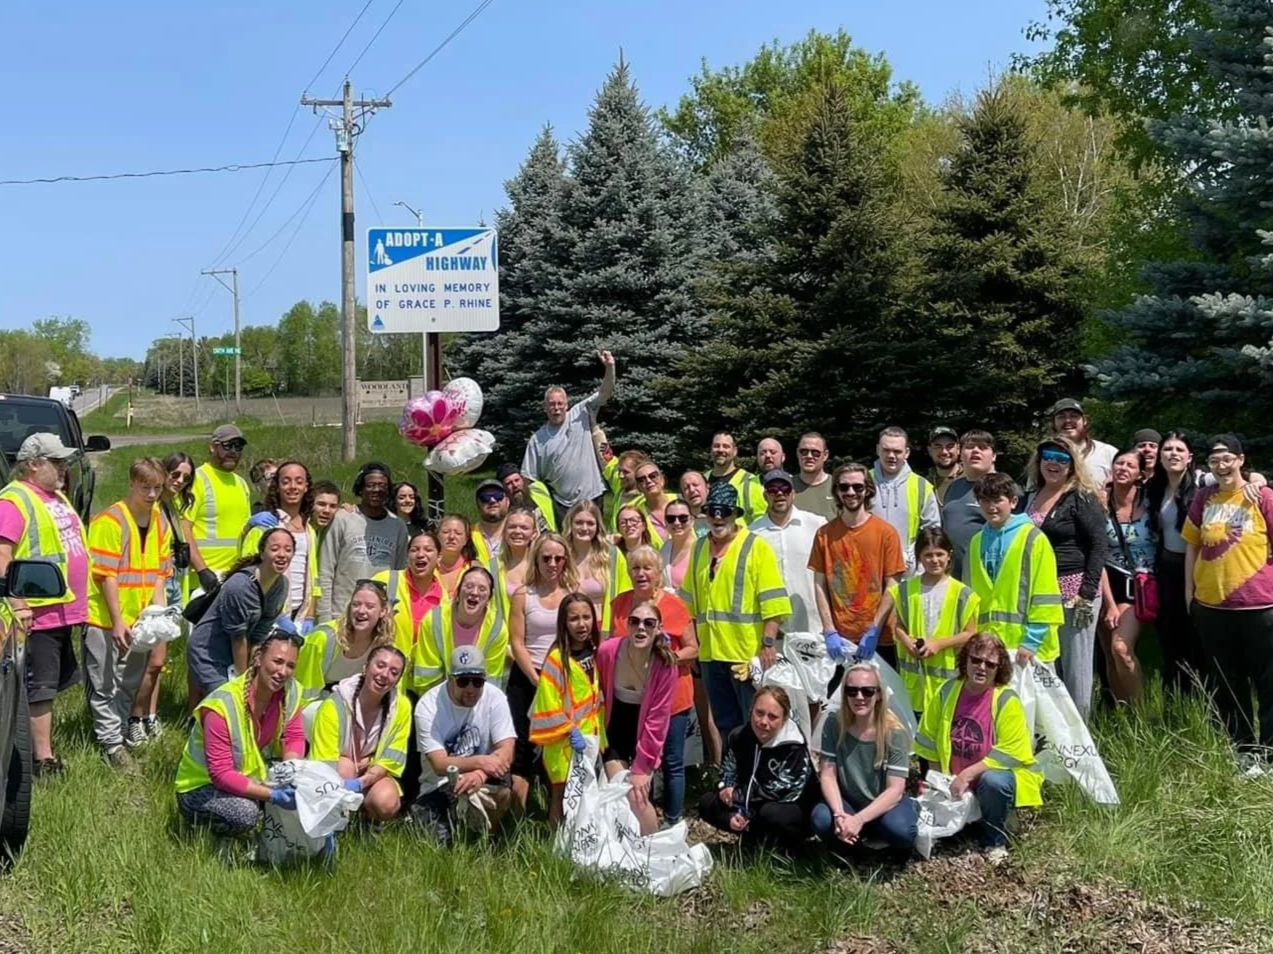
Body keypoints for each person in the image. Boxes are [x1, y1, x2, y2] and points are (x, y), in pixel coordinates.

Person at [0, 433, 90, 776]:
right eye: (57, 462)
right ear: (33, 464)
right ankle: (42, 761)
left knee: (48, 685)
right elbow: (2, 556)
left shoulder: (55, 497)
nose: (64, 468)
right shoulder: (14, 501)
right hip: (36, 615)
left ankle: (35, 752)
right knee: (39, 690)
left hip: (60, 610)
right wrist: (18, 605)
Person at [1183, 434, 1273, 765]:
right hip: (1212, 606)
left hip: (1260, 605)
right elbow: (1192, 545)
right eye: (1214, 461)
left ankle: (1270, 752)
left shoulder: (1261, 495)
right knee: (1227, 681)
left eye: (1227, 459)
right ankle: (1244, 750)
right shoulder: (1203, 498)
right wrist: (1189, 595)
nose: (1221, 466)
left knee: (1268, 681)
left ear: (1240, 460)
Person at [914, 633, 1041, 862]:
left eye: (990, 664)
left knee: (995, 782)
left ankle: (994, 839)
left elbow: (1012, 751)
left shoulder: (1006, 699)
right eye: (976, 660)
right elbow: (928, 740)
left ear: (999, 669)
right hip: (954, 783)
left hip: (987, 780)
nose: (982, 668)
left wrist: (967, 774)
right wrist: (938, 780)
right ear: (966, 660)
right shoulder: (947, 691)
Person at [680, 483, 791, 740]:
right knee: (725, 724)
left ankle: (755, 777)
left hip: (746, 654)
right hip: (710, 654)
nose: (718, 517)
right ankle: (732, 776)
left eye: (725, 511)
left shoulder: (756, 546)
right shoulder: (698, 548)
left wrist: (767, 644)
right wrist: (692, 646)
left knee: (754, 722)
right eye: (713, 511)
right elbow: (688, 604)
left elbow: (774, 601)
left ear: (735, 514)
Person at [174, 627, 306, 842]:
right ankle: (213, 842)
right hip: (200, 786)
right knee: (245, 813)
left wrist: (292, 771)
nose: (283, 672)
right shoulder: (221, 705)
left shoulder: (291, 691)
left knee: (306, 784)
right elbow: (221, 774)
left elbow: (294, 736)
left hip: (248, 773)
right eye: (277, 661)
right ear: (258, 658)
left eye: (290, 666)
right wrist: (272, 795)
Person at [83, 457, 173, 766]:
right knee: (105, 681)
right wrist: (118, 621)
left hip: (141, 620)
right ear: (132, 483)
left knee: (130, 681)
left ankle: (119, 733)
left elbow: (162, 570)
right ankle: (110, 745)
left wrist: (158, 615)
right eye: (145, 487)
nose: (151, 495)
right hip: (106, 619)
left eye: (157, 488)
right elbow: (106, 575)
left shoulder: (160, 520)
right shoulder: (111, 521)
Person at [610, 546, 700, 823]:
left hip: (672, 698)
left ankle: (673, 820)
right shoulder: (620, 604)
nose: (641, 574)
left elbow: (693, 649)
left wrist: (666, 660)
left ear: (658, 572)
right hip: (632, 699)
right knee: (636, 759)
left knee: (672, 762)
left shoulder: (674, 606)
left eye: (647, 568)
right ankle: (636, 816)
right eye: (635, 568)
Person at [1023, 436, 1109, 717]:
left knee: (1076, 669)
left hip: (1074, 593)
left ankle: (1080, 736)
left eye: (1062, 459)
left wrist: (1086, 594)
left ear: (1072, 465)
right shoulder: (1030, 496)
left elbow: (1099, 545)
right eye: (1048, 456)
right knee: (1047, 663)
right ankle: (1053, 733)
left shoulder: (1081, 497)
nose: (1053, 463)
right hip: (1039, 593)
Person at [411, 645, 517, 846]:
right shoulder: (428, 707)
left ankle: (489, 842)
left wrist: (480, 773)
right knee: (440, 846)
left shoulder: (495, 697)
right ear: (450, 679)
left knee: (504, 783)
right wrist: (480, 761)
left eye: (477, 681)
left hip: (482, 779)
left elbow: (507, 750)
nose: (470, 688)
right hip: (440, 785)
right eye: (463, 681)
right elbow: (439, 764)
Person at [811, 664, 917, 857]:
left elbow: (895, 789)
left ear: (878, 695)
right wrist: (838, 814)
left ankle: (871, 835)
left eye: (867, 691)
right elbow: (827, 775)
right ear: (844, 695)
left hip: (884, 802)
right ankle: (852, 842)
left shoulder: (895, 732)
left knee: (901, 831)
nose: (859, 697)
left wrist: (859, 819)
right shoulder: (833, 723)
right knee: (821, 819)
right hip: (847, 801)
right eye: (852, 691)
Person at [872, 527, 978, 716]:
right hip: (914, 685)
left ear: (949, 556)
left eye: (940, 554)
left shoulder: (962, 594)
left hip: (948, 683)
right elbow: (899, 625)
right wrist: (907, 641)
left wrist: (938, 644)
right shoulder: (906, 590)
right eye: (928, 555)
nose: (934, 560)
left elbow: (970, 633)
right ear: (919, 558)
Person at [809, 463, 906, 669]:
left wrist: (874, 629)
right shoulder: (824, 535)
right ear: (836, 491)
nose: (850, 492)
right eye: (844, 487)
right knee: (838, 700)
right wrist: (828, 629)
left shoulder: (886, 533)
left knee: (880, 699)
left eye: (857, 487)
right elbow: (819, 584)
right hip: (840, 639)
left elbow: (893, 584)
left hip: (881, 639)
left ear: (867, 490)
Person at [507, 534, 578, 809]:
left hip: (563, 678)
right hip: (528, 677)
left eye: (558, 558)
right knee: (522, 746)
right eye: (546, 558)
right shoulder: (524, 594)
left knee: (559, 745)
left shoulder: (571, 592)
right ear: (536, 559)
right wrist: (537, 679)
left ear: (566, 561)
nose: (552, 563)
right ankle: (515, 816)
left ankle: (557, 812)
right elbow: (516, 641)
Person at [965, 473, 1064, 669]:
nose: (990, 506)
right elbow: (970, 596)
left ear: (1013, 501)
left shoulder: (1033, 538)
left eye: (997, 500)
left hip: (1028, 647)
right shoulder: (976, 541)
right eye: (984, 501)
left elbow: (1046, 595)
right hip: (988, 646)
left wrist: (1032, 640)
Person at [186, 527, 295, 703]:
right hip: (209, 651)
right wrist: (242, 680)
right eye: (275, 549)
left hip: (238, 650)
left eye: (288, 550)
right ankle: (193, 724)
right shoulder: (240, 586)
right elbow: (238, 638)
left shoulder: (281, 586)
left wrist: (254, 672)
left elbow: (259, 634)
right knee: (227, 704)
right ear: (262, 553)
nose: (282, 554)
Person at [598, 599, 679, 834]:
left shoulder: (665, 665)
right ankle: (618, 846)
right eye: (634, 622)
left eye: (648, 623)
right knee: (621, 790)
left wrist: (642, 768)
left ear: (658, 628)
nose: (641, 628)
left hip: (646, 735)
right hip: (615, 732)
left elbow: (658, 719)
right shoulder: (608, 651)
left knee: (640, 795)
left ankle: (651, 851)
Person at [697, 687, 816, 845]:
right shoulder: (738, 736)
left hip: (790, 808)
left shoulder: (794, 747)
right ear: (750, 710)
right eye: (759, 713)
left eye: (773, 717)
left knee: (771, 813)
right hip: (749, 803)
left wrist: (739, 798)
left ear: (785, 719)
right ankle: (749, 833)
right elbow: (728, 772)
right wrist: (732, 804)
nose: (764, 722)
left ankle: (784, 847)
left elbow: (783, 791)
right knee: (707, 802)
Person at [311, 645, 410, 822]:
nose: (385, 674)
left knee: (387, 802)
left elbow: (391, 759)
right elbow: (324, 762)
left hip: (372, 770)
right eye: (380, 665)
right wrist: (351, 770)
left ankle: (367, 823)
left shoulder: (402, 707)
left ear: (397, 680)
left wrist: (362, 781)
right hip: (338, 770)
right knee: (346, 768)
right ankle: (335, 823)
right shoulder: (333, 705)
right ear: (365, 667)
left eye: (394, 672)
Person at [529, 593, 604, 826]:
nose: (581, 624)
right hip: (563, 742)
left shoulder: (596, 653)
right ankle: (556, 851)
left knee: (586, 797)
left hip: (591, 738)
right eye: (574, 619)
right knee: (561, 795)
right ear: (563, 622)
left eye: (586, 617)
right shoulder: (556, 660)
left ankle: (581, 845)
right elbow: (547, 705)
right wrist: (569, 730)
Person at [522, 350, 617, 524]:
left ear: (567, 405)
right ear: (545, 407)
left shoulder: (580, 413)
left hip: (593, 496)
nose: (556, 408)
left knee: (595, 545)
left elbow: (605, 392)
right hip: (562, 505)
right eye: (551, 404)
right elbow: (529, 479)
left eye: (560, 404)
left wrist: (610, 367)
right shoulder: (537, 439)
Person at [138, 451, 194, 742]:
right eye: (175, 475)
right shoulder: (153, 507)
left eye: (186, 477)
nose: (180, 482)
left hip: (172, 586)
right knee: (152, 660)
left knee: (159, 661)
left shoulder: (172, 507)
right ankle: (136, 716)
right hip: (154, 586)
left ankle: (150, 714)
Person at [1143, 432, 1204, 691]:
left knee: (1198, 631)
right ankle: (1177, 690)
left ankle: (1205, 690)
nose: (1173, 454)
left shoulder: (1202, 483)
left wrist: (1256, 479)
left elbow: (1243, 478)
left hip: (1199, 568)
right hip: (1166, 568)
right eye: (1168, 449)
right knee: (1171, 631)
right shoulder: (1154, 489)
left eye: (1180, 449)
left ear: (1190, 456)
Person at [316, 461, 408, 621]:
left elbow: (400, 574)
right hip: (342, 615)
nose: (377, 490)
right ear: (360, 488)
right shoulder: (342, 519)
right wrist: (324, 617)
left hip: (380, 618)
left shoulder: (398, 526)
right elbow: (326, 570)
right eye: (371, 485)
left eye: (382, 486)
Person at [1100, 447, 1156, 702]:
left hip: (1141, 586)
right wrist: (1109, 603)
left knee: (1121, 648)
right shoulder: (1100, 503)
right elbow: (1096, 553)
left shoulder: (1151, 501)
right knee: (1110, 655)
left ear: (1140, 474)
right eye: (1118, 463)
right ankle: (1122, 714)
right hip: (1107, 584)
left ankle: (1142, 714)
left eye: (1130, 466)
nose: (1122, 468)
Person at [240, 461, 318, 630]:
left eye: (299, 481)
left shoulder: (309, 530)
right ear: (277, 487)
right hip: (268, 618)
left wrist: (310, 615)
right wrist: (278, 615)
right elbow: (248, 575)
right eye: (286, 481)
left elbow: (314, 576)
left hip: (300, 615)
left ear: (306, 486)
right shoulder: (265, 527)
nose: (293, 487)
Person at [295, 579, 395, 707]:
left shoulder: (383, 644)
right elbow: (304, 694)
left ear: (383, 611)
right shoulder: (322, 639)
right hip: (314, 705)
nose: (361, 611)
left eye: (370, 606)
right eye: (356, 604)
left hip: (351, 703)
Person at [749, 469, 826, 634]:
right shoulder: (752, 533)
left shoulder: (817, 525)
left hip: (813, 625)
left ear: (793, 494)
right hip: (770, 629)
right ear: (765, 496)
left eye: (784, 489)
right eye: (773, 489)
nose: (779, 494)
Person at [183, 425, 253, 600]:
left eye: (238, 447)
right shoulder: (197, 479)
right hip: (204, 580)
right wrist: (202, 570)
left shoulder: (241, 484)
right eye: (227, 446)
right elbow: (184, 529)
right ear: (212, 447)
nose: (233, 451)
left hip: (235, 577)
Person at [412, 565, 507, 692]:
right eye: (469, 586)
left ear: (490, 597)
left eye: (482, 589)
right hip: (436, 698)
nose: (474, 592)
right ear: (458, 591)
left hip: (477, 700)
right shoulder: (433, 620)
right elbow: (427, 677)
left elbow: (491, 681)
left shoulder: (498, 629)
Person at [872, 427, 940, 577]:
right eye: (886, 450)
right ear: (878, 450)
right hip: (869, 569)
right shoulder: (862, 482)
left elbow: (932, 532)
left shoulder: (922, 486)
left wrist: (921, 569)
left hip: (908, 572)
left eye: (897, 451)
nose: (891, 456)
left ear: (907, 453)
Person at [940, 430, 1001, 579]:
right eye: (970, 447)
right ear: (960, 454)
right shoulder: (954, 487)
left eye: (983, 447)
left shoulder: (1004, 488)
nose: (975, 451)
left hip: (988, 576)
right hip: (953, 577)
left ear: (993, 456)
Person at [375, 526, 443, 652]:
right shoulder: (384, 580)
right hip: (385, 667)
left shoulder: (446, 599)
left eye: (428, 550)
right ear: (407, 556)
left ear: (439, 558)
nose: (420, 554)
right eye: (414, 550)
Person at [566, 500, 629, 635]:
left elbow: (626, 594)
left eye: (590, 523)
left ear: (598, 526)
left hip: (603, 629)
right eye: (579, 522)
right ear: (570, 524)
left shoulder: (611, 555)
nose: (584, 528)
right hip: (568, 630)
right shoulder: (560, 555)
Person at [1047, 398, 1117, 489]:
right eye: (1061, 417)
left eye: (1074, 416)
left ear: (1084, 421)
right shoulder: (1045, 455)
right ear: (1053, 423)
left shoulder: (1107, 453)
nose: (1068, 420)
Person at [707, 432, 766, 523]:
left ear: (735, 451)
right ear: (711, 449)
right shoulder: (701, 481)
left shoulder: (751, 481)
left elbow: (760, 520)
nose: (720, 450)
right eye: (716, 446)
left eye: (726, 446)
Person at [490, 506, 537, 615]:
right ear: (504, 532)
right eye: (512, 527)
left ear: (533, 534)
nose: (517, 531)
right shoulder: (491, 567)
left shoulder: (543, 566)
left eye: (524, 528)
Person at [496, 462, 556, 533]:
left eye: (517, 480)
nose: (515, 485)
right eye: (509, 483)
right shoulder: (505, 511)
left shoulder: (539, 490)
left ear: (523, 480)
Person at [600, 450, 648, 535]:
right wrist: (609, 458)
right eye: (619, 471)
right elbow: (611, 468)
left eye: (626, 472)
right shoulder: (620, 486)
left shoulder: (646, 499)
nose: (621, 476)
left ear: (639, 472)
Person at [792, 432, 837, 521]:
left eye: (815, 453)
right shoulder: (786, 487)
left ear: (825, 455)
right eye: (804, 452)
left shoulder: (839, 486)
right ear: (797, 453)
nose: (809, 456)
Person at [634, 459, 677, 542]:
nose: (648, 481)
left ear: (662, 479)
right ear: (638, 487)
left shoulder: (680, 500)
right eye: (641, 479)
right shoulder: (637, 513)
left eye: (653, 476)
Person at [436, 513, 477, 598]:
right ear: (437, 536)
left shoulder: (474, 570)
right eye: (446, 532)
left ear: (466, 539)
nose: (451, 536)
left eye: (458, 533)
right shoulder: (426, 568)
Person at [660, 499, 696, 591]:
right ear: (666, 522)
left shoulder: (700, 549)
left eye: (683, 518)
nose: (677, 522)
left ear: (692, 520)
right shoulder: (665, 549)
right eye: (671, 519)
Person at [471, 479, 508, 565]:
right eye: (485, 498)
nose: (492, 501)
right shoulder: (467, 535)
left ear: (508, 501)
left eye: (498, 496)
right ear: (478, 504)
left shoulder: (520, 532)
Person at [926, 427, 963, 507]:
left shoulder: (972, 479)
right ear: (930, 450)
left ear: (958, 449)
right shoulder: (924, 484)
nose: (944, 452)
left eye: (950, 446)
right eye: (938, 447)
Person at [679, 471, 712, 537]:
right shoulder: (679, 524)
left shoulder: (722, 519)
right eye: (686, 488)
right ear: (683, 496)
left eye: (695, 485)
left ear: (707, 487)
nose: (692, 490)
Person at [310, 480, 342, 550]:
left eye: (333, 506)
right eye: (321, 504)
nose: (327, 510)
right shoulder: (301, 531)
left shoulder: (330, 531)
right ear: (310, 504)